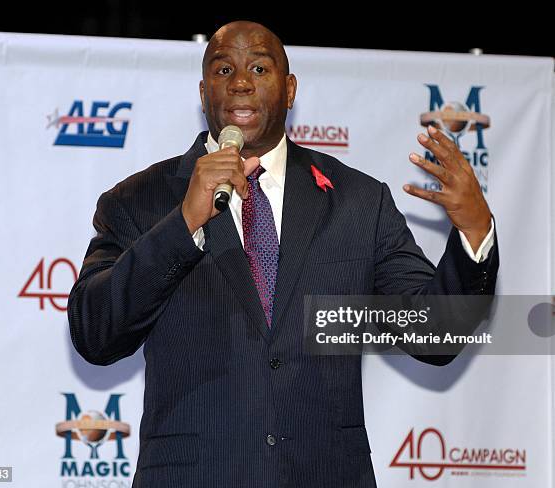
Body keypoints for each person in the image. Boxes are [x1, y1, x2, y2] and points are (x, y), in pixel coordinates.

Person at [67, 21, 498, 488]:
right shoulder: (139, 201)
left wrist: (475, 230)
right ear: (203, 90)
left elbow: (435, 335)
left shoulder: (357, 201)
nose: (241, 82)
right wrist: (183, 223)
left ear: (289, 90)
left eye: (259, 67)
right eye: (224, 68)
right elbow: (95, 334)